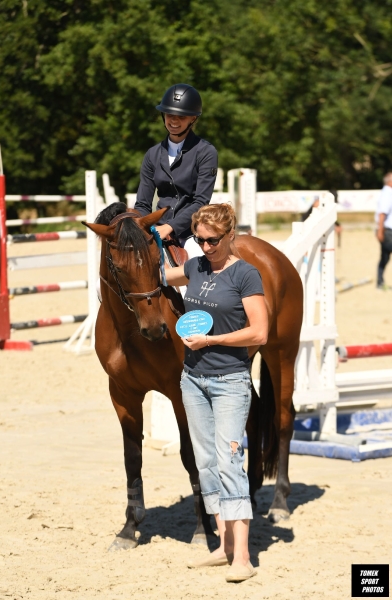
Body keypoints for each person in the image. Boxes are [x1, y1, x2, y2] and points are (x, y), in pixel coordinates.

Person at [164, 203, 268, 583]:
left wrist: (212, 340)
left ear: (229, 236)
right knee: (205, 463)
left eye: (212, 241)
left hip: (229, 382)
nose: (205, 247)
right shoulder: (194, 267)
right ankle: (223, 546)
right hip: (191, 380)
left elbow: (259, 333)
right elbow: (158, 275)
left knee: (228, 464)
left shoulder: (246, 274)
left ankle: (242, 556)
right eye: (199, 240)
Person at [134, 83, 218, 258]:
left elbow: (201, 201)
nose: (173, 121)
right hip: (156, 229)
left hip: (192, 231)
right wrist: (142, 226)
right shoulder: (152, 154)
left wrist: (170, 227)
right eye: (169, 114)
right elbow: (142, 203)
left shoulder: (206, 152)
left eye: (181, 116)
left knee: (196, 262)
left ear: (193, 118)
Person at [375, 172, 392, 290]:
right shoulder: (388, 193)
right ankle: (379, 281)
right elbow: (382, 214)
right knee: (385, 256)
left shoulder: (387, 192)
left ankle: (380, 281)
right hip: (387, 231)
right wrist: (380, 231)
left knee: (385, 257)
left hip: (386, 230)